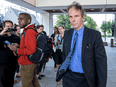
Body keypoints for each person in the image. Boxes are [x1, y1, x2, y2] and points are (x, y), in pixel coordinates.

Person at [62, 2, 107, 87]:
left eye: (76, 16)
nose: (73, 20)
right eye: (70, 16)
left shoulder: (94, 35)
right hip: (68, 78)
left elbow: (101, 64)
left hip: (86, 79)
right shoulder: (67, 34)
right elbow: (64, 55)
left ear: (83, 17)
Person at [8, 13, 40, 87]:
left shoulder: (29, 31)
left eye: (21, 19)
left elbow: (31, 50)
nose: (19, 21)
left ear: (28, 21)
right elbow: (29, 46)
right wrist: (19, 46)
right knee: (34, 83)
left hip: (27, 63)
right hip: (29, 62)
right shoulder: (28, 30)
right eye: (18, 19)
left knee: (27, 84)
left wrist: (16, 50)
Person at [0, 20, 20, 87]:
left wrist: (17, 46)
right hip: (1, 64)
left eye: (11, 26)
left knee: (10, 82)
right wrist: (1, 34)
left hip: (12, 63)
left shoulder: (16, 38)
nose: (10, 28)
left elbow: (20, 49)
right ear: (3, 27)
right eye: (7, 26)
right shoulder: (1, 37)